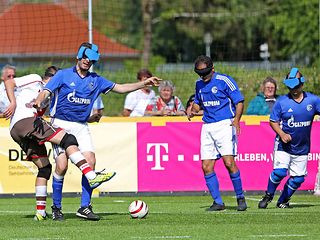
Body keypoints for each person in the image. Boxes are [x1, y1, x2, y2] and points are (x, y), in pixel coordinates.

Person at [35, 42, 161, 221]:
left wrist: (144, 83)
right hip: (60, 125)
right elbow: (45, 92)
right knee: (61, 166)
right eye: (85, 57)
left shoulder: (96, 80)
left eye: (91, 59)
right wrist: (38, 101)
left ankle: (84, 207)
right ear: (78, 57)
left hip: (81, 126)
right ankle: (56, 207)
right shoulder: (62, 75)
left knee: (91, 161)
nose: (87, 61)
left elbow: (121, 88)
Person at [3, 71, 115, 221]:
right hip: (25, 121)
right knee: (68, 139)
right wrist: (13, 102)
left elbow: (58, 114)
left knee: (45, 168)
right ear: (48, 78)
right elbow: (9, 82)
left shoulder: (51, 98)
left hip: (17, 131)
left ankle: (40, 213)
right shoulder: (35, 80)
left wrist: (89, 118)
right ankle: (91, 175)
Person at [187, 55, 247, 211]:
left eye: (205, 73)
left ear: (212, 69)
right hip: (207, 126)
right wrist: (192, 110)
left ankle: (240, 198)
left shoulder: (224, 80)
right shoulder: (199, 84)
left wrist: (237, 120)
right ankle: (218, 202)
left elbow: (239, 101)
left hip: (225, 125)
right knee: (206, 166)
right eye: (200, 74)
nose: (203, 77)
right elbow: (198, 104)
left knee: (229, 163)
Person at [258, 68, 320, 209]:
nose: (294, 90)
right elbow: (273, 121)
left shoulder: (313, 100)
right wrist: (282, 134)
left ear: (302, 84)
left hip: (302, 147)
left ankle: (283, 200)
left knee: (298, 179)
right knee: (279, 172)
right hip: (283, 146)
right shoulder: (281, 102)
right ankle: (268, 195)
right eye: (291, 87)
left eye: (296, 86)